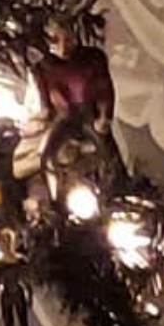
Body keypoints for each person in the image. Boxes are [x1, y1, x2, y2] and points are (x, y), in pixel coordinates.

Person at [33, 19, 123, 197]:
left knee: (108, 157)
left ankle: (118, 191)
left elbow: (105, 89)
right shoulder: (43, 67)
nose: (63, 47)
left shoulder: (93, 58)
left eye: (67, 40)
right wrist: (41, 119)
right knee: (46, 156)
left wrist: (104, 116)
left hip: (90, 115)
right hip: (64, 117)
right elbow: (45, 103)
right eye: (55, 40)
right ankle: (55, 198)